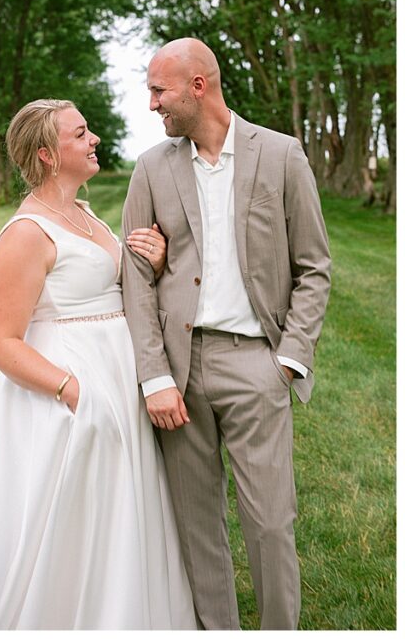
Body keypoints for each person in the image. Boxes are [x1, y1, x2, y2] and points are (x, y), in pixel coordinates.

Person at [0, 99, 196, 629]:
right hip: (72, 396)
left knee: (120, 508)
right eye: (80, 134)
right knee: (67, 516)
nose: (94, 139)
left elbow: (112, 290)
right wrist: (72, 391)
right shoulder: (26, 233)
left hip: (117, 382)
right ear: (47, 155)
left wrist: (151, 264)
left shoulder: (84, 214)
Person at [121, 38, 332, 629]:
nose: (152, 104)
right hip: (179, 372)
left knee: (270, 524)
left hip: (256, 365)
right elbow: (135, 278)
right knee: (197, 527)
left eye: (158, 91)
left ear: (198, 87)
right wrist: (155, 376)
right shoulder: (151, 167)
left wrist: (288, 360)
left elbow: (313, 267)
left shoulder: (282, 155)